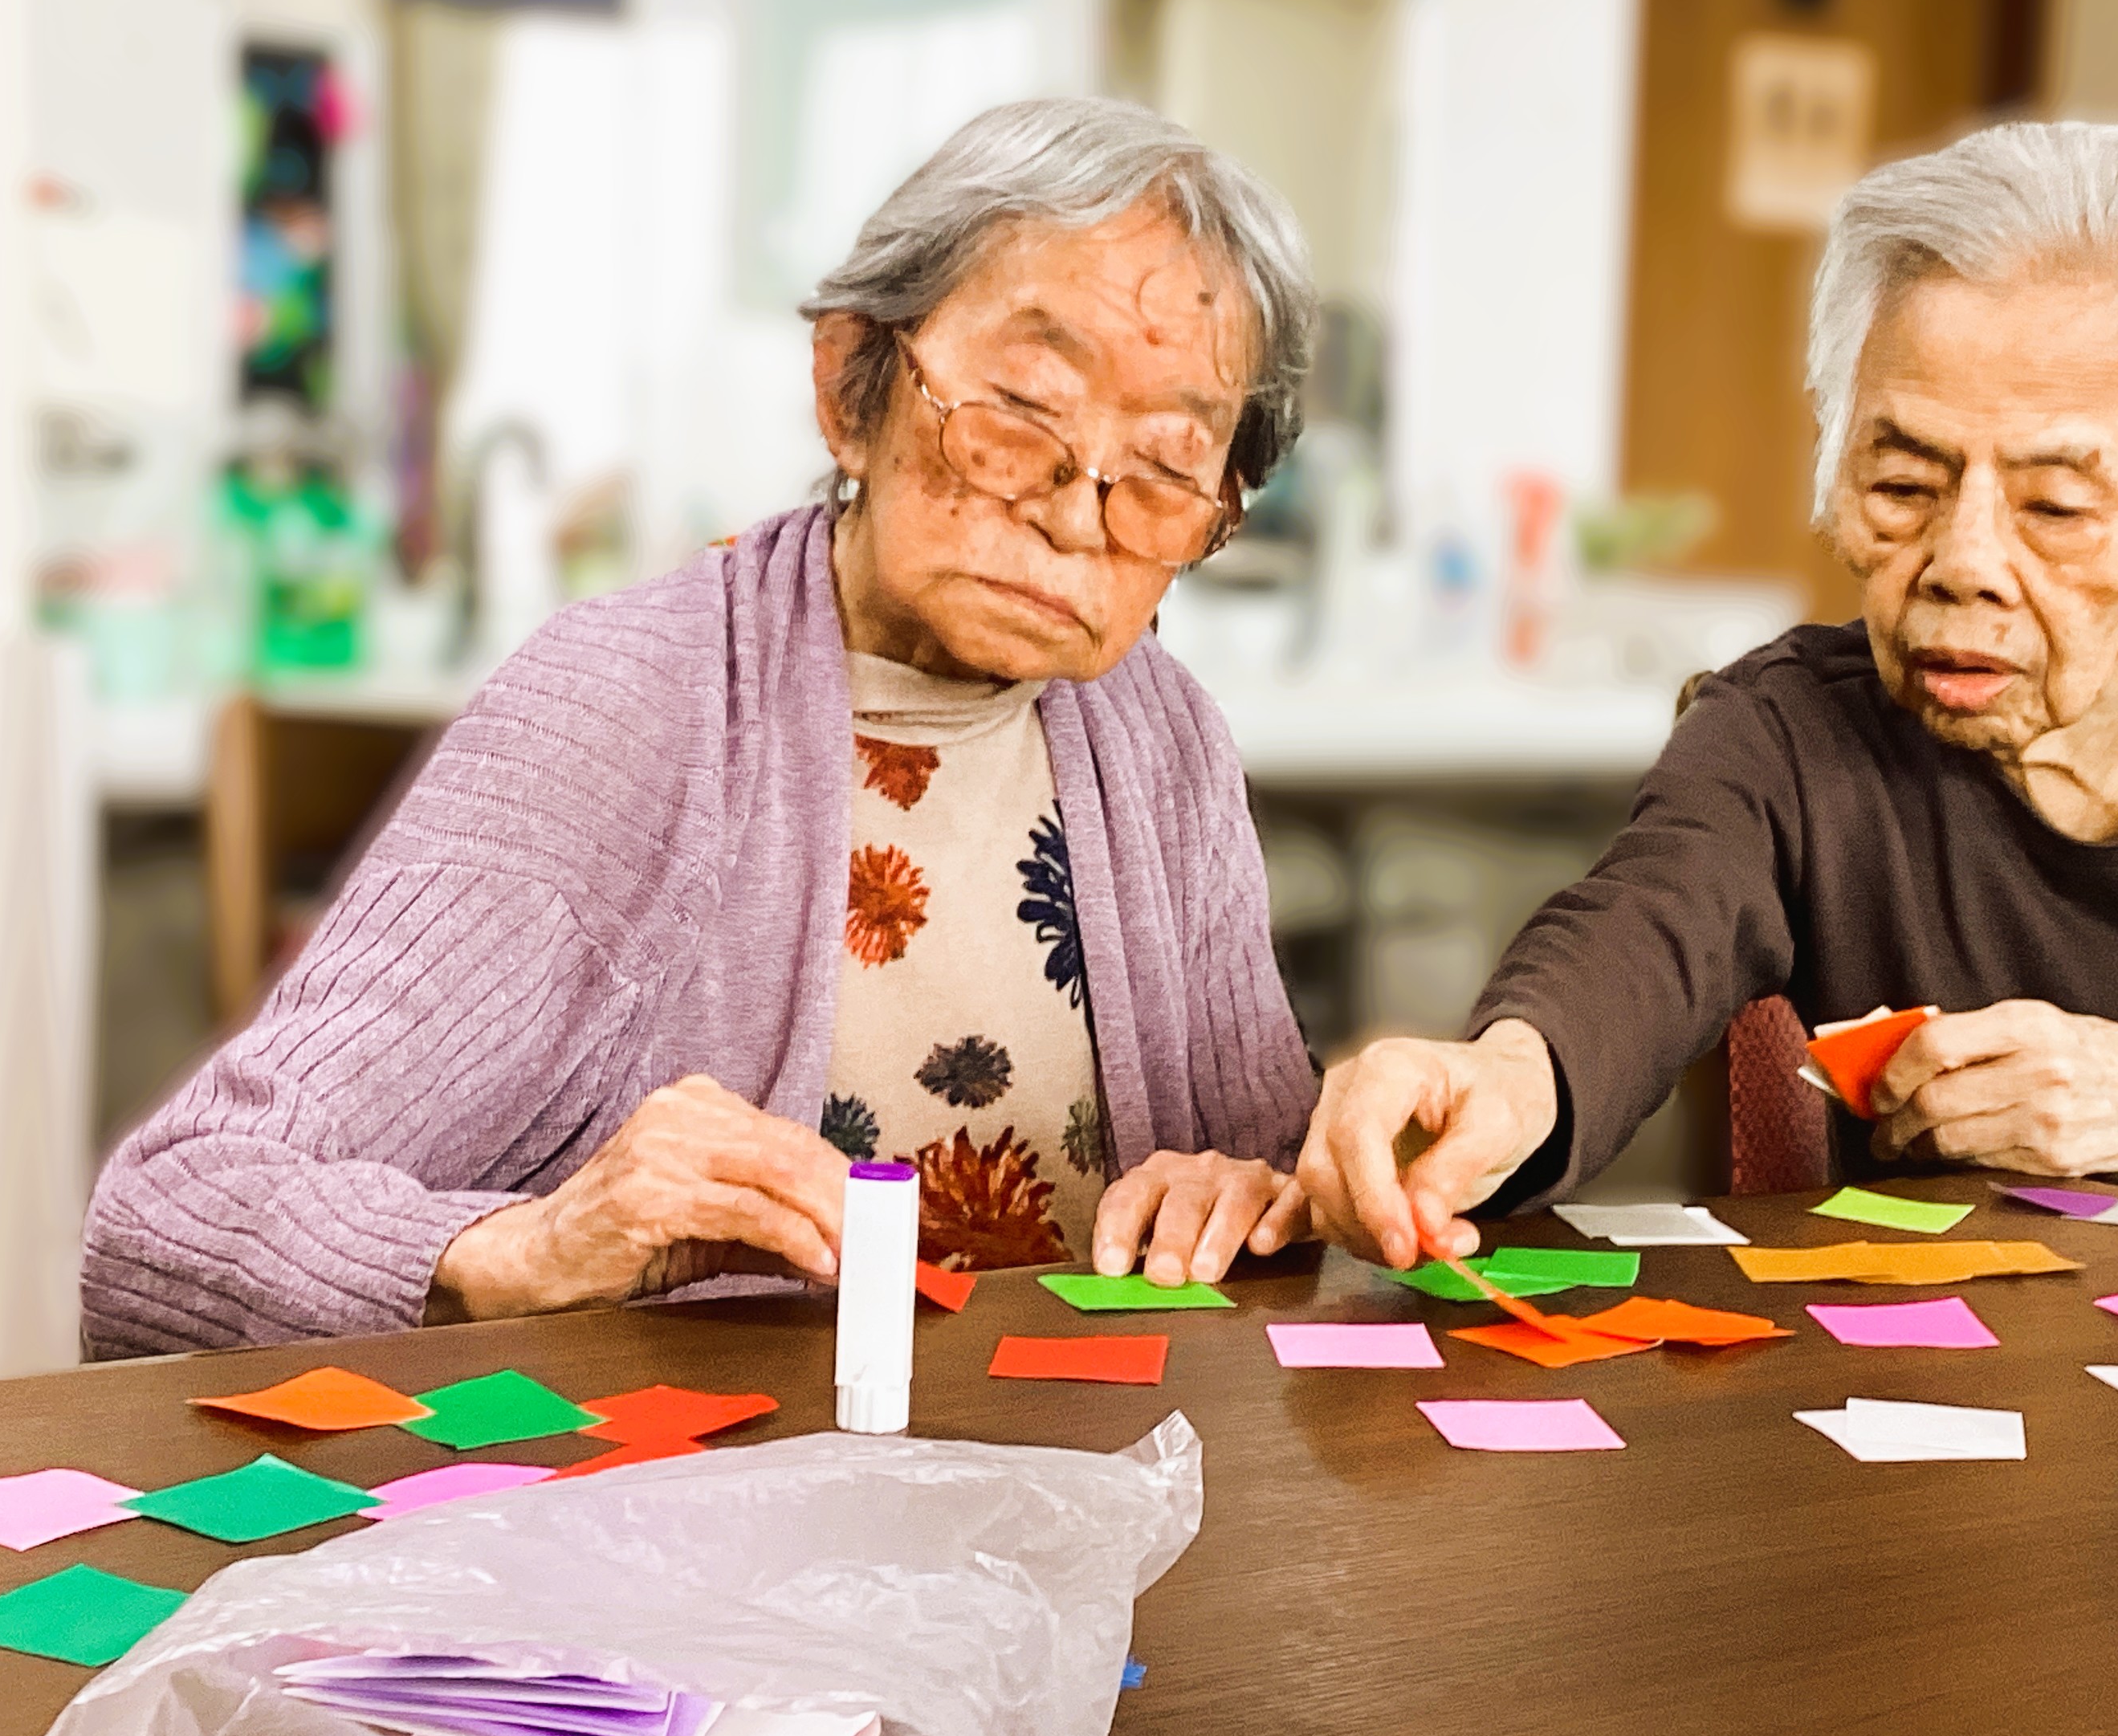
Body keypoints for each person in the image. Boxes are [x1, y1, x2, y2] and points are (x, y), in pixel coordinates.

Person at [84, 99, 1322, 1355]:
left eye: (1165, 470)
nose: (1076, 514)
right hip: (693, 1509)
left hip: (1071, 1492)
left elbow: (1274, 1191)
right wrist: (525, 1248)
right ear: (854, 389)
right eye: (1020, 413)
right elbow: (164, 1220)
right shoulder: (629, 707)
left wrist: (1256, 1199)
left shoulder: (1163, 740)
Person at [1297, 120, 2118, 1272]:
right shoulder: (1786, 735)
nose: (1963, 561)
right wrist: (1508, 1075)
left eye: (2056, 507)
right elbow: (1642, 926)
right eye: (1905, 481)